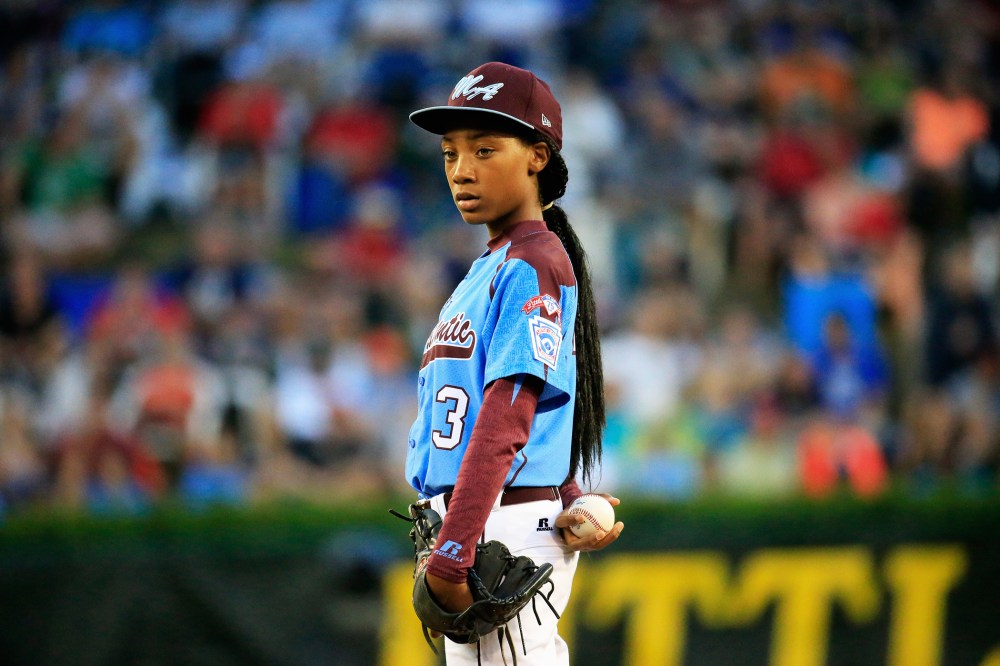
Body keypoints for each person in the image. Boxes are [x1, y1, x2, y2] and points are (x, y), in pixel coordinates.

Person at [405, 61, 624, 664]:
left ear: (537, 155)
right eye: (450, 154)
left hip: (494, 529)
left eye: (484, 149)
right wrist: (574, 493)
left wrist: (455, 548)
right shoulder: (496, 264)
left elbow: (508, 413)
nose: (462, 170)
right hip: (486, 520)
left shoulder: (534, 261)